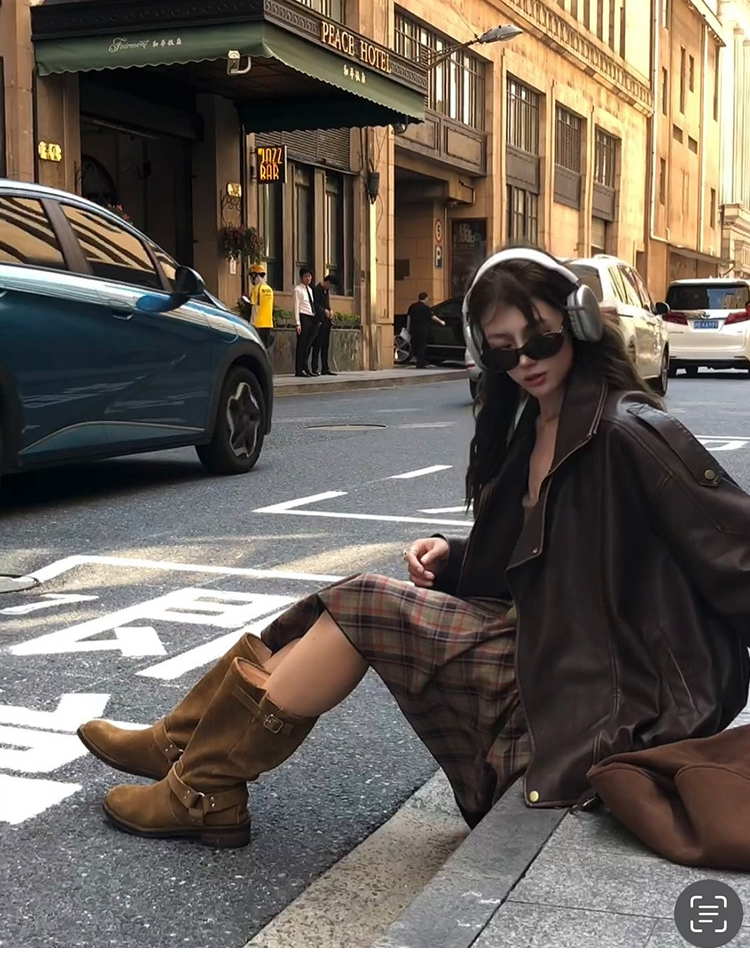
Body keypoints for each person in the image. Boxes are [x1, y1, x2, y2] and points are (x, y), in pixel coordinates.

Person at [77, 246, 750, 849]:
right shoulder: (535, 424)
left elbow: (738, 554)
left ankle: (199, 783)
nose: (526, 362)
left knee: (366, 604)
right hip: (550, 660)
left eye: (541, 338)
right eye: (504, 350)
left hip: (607, 702)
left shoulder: (628, 431)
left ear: (577, 323)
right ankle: (186, 751)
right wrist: (455, 557)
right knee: (348, 601)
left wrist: (697, 712)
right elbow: (538, 559)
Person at [406, 292, 445, 368]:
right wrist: (441, 321)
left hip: (414, 329)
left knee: (415, 345)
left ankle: (414, 358)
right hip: (423, 330)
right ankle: (420, 363)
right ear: (426, 298)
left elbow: (408, 318)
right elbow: (433, 317)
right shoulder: (426, 308)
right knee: (422, 346)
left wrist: (408, 328)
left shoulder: (412, 306)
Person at [311, 274, 338, 376]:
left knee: (325, 346)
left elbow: (326, 304)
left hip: (326, 321)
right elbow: (315, 305)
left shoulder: (326, 291)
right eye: (330, 285)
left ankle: (325, 367)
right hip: (319, 321)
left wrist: (330, 311)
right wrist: (324, 311)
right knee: (317, 345)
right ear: (327, 282)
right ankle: (314, 367)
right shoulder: (316, 290)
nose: (330, 288)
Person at [293, 268, 318, 377]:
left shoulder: (310, 290)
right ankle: (299, 369)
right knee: (301, 344)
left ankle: (305, 367)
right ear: (301, 277)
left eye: (309, 276)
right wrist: (298, 323)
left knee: (308, 345)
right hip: (303, 316)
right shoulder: (297, 290)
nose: (308, 278)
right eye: (306, 276)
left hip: (311, 316)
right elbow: (296, 306)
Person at [248, 265, 274, 349]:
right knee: (265, 349)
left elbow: (255, 308)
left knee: (257, 348)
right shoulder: (269, 289)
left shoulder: (256, 289)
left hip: (258, 325)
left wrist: (251, 324)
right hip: (268, 324)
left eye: (251, 277)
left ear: (255, 276)